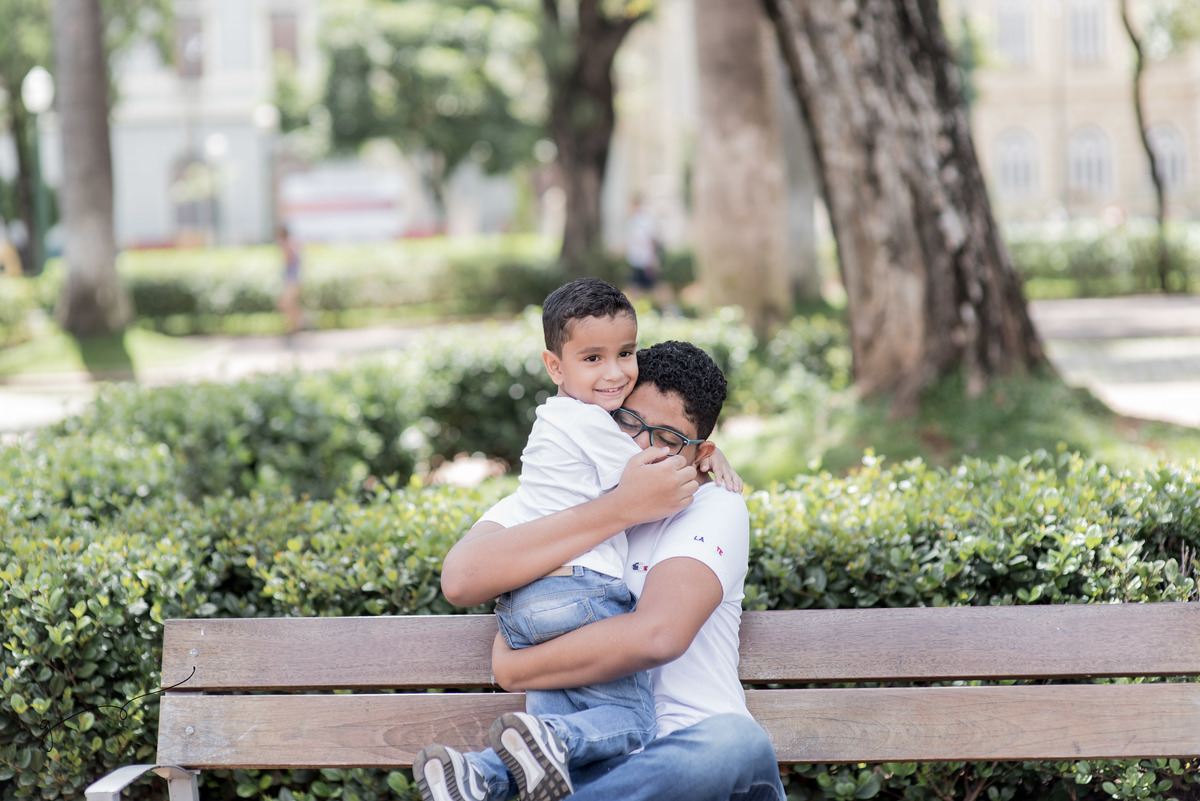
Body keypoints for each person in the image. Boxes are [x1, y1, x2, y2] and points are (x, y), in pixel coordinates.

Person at [413, 282, 742, 801]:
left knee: (733, 744)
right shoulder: (564, 490)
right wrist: (624, 506)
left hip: (695, 753)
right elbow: (461, 578)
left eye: (668, 439)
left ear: (700, 452)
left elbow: (659, 635)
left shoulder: (713, 505)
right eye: (627, 422)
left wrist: (514, 666)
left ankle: (484, 777)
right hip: (593, 764)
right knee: (580, 755)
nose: (641, 445)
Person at [276, 224, 303, 336]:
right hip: (292, 280)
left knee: (285, 303)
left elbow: (288, 259)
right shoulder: (292, 244)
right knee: (289, 304)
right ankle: (295, 325)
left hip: (292, 281)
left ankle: (298, 324)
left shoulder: (288, 245)